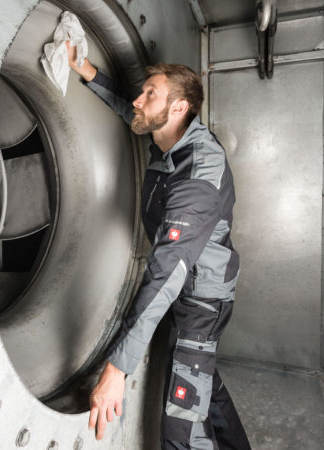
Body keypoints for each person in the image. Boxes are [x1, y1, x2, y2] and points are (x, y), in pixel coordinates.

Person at [67, 42, 251, 450]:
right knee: (204, 387)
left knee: (182, 428)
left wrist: (117, 368)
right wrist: (87, 71)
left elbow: (168, 268)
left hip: (202, 300)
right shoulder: (169, 136)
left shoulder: (198, 173)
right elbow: (130, 111)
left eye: (150, 93)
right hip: (189, 288)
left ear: (179, 107)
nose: (139, 99)